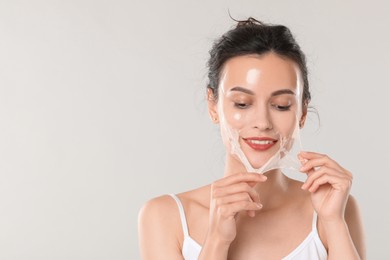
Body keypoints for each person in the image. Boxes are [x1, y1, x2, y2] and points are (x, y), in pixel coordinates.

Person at [138, 18, 365, 260]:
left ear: (302, 112)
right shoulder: (166, 216)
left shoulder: (334, 209)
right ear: (213, 105)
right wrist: (216, 241)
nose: (263, 122)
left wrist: (333, 222)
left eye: (281, 105)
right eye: (242, 104)